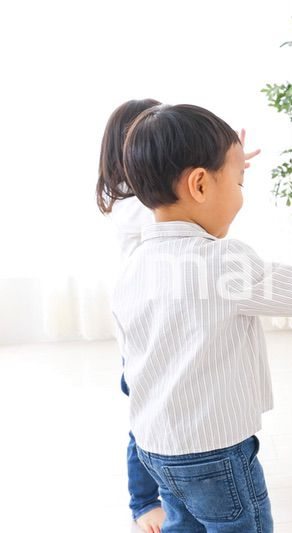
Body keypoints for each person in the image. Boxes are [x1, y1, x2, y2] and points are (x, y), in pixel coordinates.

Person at [111, 103, 292, 532]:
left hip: (154, 448)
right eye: (240, 182)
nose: (242, 196)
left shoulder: (133, 263)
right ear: (200, 185)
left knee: (182, 524)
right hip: (215, 452)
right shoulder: (222, 262)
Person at [97, 99, 260, 533]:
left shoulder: (159, 213)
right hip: (159, 350)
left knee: (155, 441)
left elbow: (202, 224)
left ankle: (157, 503)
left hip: (154, 352)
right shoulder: (139, 213)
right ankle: (141, 502)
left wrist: (228, 169)